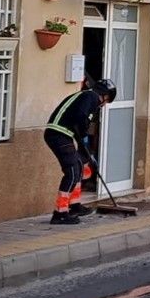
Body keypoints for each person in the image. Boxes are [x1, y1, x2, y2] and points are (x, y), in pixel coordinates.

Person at [44, 79, 117, 224]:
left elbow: (79, 121)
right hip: (58, 134)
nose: (103, 105)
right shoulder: (91, 97)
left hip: (64, 135)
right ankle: (60, 213)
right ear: (105, 97)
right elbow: (81, 119)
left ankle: (75, 205)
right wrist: (84, 141)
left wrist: (85, 152)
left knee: (78, 166)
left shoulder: (86, 96)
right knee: (72, 172)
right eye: (106, 102)